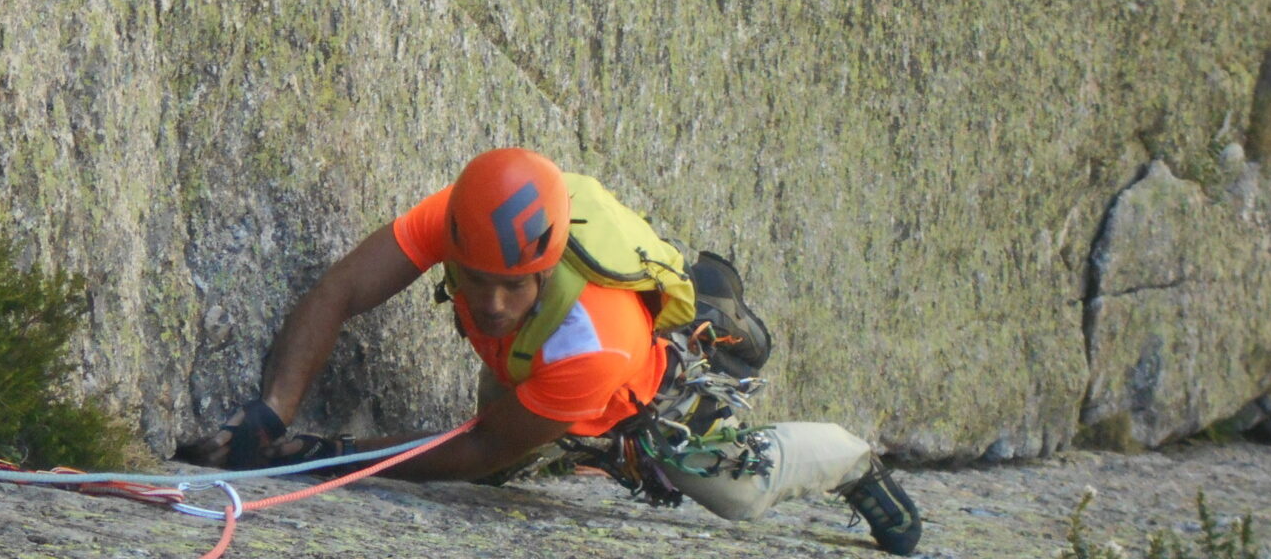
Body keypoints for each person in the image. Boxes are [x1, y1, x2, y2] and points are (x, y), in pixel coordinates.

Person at [176, 148, 921, 554]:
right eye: (476, 282)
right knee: (504, 395)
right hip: (529, 372)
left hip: (631, 402)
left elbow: (480, 447)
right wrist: (268, 415)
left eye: (513, 286)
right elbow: (340, 291)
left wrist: (320, 454)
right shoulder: (467, 216)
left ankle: (851, 459)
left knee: (741, 494)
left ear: (548, 262)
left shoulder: (597, 340)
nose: (491, 303)